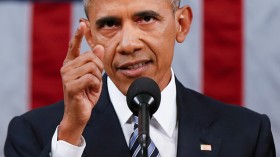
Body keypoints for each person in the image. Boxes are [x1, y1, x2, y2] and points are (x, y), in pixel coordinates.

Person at [4, 0, 276, 156]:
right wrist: (70, 136)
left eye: (146, 18)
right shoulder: (34, 136)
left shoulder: (247, 135)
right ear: (90, 37)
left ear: (181, 24)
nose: (128, 43)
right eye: (110, 24)